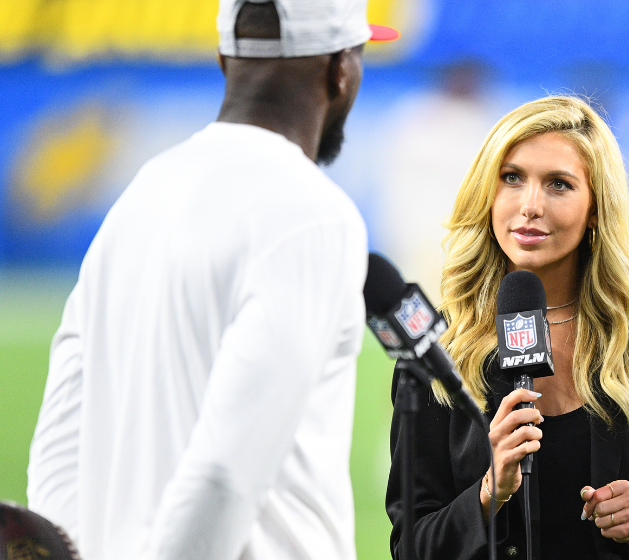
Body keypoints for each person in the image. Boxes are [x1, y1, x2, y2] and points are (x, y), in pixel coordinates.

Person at [26, 1, 397, 559]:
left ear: (226, 57)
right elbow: (226, 472)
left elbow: (58, 440)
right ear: (341, 69)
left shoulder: (141, 195)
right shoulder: (313, 213)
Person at [386, 96, 629, 560]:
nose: (530, 205)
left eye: (559, 184)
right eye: (512, 178)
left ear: (597, 208)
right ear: (488, 192)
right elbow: (411, 548)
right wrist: (487, 493)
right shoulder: (434, 357)